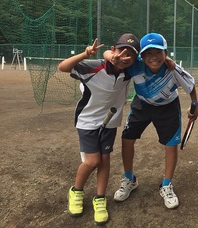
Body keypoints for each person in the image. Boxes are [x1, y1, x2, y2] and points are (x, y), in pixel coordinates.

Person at [105, 32, 198, 209]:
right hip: (142, 105)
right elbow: (111, 58)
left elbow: (191, 85)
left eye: (158, 52)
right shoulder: (135, 66)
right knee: (127, 139)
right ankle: (129, 179)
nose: (153, 57)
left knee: (170, 145)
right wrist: (109, 54)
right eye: (148, 53)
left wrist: (195, 106)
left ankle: (166, 184)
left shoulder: (173, 69)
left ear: (166, 53)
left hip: (168, 107)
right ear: (141, 55)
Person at [58, 34, 140, 225]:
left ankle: (100, 198)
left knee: (104, 160)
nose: (125, 57)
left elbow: (152, 61)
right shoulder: (93, 67)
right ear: (114, 49)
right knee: (93, 160)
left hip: (110, 122)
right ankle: (76, 191)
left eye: (131, 55)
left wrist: (168, 61)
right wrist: (85, 54)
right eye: (122, 51)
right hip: (87, 121)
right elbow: (63, 67)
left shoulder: (130, 71)